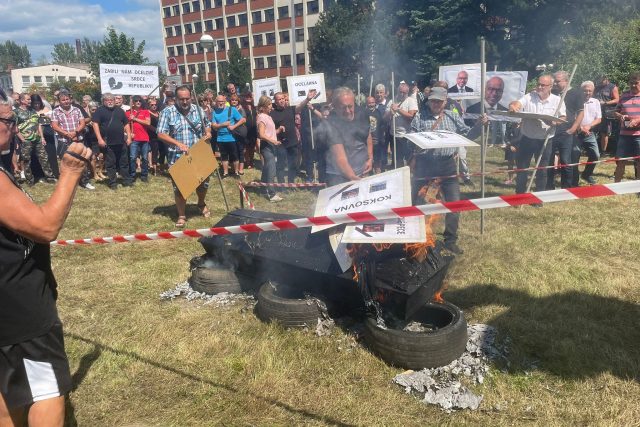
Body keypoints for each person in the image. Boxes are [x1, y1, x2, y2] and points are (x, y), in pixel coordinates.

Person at [0, 96, 92, 427]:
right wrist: (70, 172)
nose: (13, 128)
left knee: (8, 390)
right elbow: (44, 226)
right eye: (7, 121)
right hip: (18, 305)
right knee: (44, 390)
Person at [409, 87, 485, 255]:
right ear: (429, 101)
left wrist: (479, 126)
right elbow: (411, 138)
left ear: (445, 102)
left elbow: (467, 136)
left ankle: (450, 241)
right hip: (424, 165)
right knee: (416, 203)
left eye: (439, 101)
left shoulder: (453, 116)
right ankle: (415, 237)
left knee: (454, 203)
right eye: (433, 100)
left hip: (447, 165)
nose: (436, 104)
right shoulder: (420, 117)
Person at [157, 85, 212, 227]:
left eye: (187, 98)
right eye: (182, 99)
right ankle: (182, 215)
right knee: (181, 187)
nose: (185, 102)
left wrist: (208, 132)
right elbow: (161, 133)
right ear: (176, 99)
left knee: (203, 183)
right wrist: (177, 144)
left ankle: (201, 203)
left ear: (191, 97)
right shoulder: (167, 112)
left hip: (199, 153)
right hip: (178, 156)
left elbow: (207, 124)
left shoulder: (198, 110)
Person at [508, 75, 566, 195]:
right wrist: (513, 107)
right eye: (538, 84)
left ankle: (539, 197)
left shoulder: (557, 100)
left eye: (542, 85)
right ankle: (519, 195)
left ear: (550, 86)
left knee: (542, 170)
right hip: (527, 138)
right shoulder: (529, 96)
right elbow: (517, 103)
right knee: (522, 168)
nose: (539, 87)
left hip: (545, 140)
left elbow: (563, 117)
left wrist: (554, 122)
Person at [316, 87, 373, 186]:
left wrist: (370, 158)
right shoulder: (330, 124)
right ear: (334, 107)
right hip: (339, 175)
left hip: (362, 170)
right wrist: (353, 178)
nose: (347, 111)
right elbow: (340, 158)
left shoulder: (363, 113)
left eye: (350, 106)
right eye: (343, 107)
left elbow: (367, 135)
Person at [548, 70, 584, 189]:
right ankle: (549, 186)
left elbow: (580, 112)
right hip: (551, 131)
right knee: (549, 159)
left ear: (566, 81)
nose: (555, 84)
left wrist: (573, 128)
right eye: (554, 82)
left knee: (566, 160)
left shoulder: (576, 93)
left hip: (566, 131)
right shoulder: (551, 93)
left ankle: (566, 187)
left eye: (558, 82)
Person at [51, 91, 94, 190]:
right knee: (65, 162)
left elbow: (82, 123)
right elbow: (54, 126)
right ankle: (67, 183)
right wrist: (67, 134)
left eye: (67, 99)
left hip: (78, 139)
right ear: (59, 101)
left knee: (82, 161)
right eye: (63, 100)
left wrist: (75, 132)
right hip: (63, 140)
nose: (66, 101)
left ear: (70, 100)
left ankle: (84, 181)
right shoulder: (56, 111)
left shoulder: (77, 109)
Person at [92, 93, 132, 190]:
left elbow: (126, 124)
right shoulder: (99, 111)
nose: (110, 101)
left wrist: (129, 137)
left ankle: (126, 181)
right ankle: (112, 182)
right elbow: (95, 124)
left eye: (111, 100)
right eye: (107, 100)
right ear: (103, 101)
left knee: (124, 162)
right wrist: (99, 139)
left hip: (121, 141)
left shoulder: (120, 110)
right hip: (108, 142)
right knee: (110, 163)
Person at [15, 93, 56, 186]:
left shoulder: (33, 111)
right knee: (26, 160)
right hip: (26, 140)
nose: (30, 101)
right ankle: (30, 180)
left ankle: (50, 177)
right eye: (28, 99)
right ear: (21, 100)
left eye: (30, 99)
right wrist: (22, 139)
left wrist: (41, 137)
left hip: (37, 139)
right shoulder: (16, 112)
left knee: (44, 158)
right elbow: (15, 127)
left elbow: (38, 125)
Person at [256, 95, 285, 202]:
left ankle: (263, 189)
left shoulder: (268, 116)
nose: (271, 106)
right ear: (263, 106)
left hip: (271, 145)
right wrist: (274, 141)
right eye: (269, 104)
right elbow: (262, 134)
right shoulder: (262, 117)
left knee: (267, 168)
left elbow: (270, 132)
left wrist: (279, 130)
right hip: (266, 146)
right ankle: (272, 194)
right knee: (271, 169)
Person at [466, 76, 509, 147]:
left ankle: (503, 142)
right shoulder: (471, 109)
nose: (494, 93)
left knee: (502, 129)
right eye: (490, 89)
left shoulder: (504, 109)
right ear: (484, 90)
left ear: (502, 92)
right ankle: (492, 142)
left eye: (498, 90)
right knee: (493, 129)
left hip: (500, 117)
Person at [613, 71, 640, 183]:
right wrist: (620, 116)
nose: (633, 85)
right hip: (624, 135)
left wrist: (637, 120)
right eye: (631, 83)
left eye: (636, 83)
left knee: (639, 162)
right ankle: (615, 187)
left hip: (638, 136)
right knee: (620, 161)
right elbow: (615, 112)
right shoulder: (624, 95)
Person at [211, 94, 246, 177]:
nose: (220, 103)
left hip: (232, 137)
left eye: (222, 101)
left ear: (225, 102)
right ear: (216, 102)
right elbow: (213, 125)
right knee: (224, 156)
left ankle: (236, 172)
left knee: (234, 155)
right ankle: (225, 173)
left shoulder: (232, 109)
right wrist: (222, 125)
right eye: (219, 102)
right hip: (220, 138)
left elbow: (243, 120)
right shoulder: (215, 112)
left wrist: (234, 126)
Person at [385, 82, 418, 167]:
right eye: (400, 92)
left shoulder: (411, 101)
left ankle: (410, 176)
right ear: (397, 91)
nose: (402, 94)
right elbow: (385, 117)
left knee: (409, 159)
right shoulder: (392, 100)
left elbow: (411, 116)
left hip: (407, 136)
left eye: (404, 92)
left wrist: (398, 109)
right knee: (397, 159)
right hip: (394, 135)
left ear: (408, 92)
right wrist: (390, 112)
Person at [578, 81, 602, 185]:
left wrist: (589, 126)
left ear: (593, 91)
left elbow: (599, 118)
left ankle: (587, 174)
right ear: (581, 91)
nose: (587, 92)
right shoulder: (575, 101)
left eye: (590, 91)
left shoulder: (595, 102)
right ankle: (573, 178)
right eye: (585, 90)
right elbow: (571, 117)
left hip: (590, 133)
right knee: (574, 156)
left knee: (595, 155)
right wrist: (581, 127)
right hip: (576, 132)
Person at [126, 95, 151, 183]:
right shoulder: (128, 112)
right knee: (132, 158)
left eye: (140, 101)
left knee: (145, 158)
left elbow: (148, 122)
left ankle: (144, 175)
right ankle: (132, 175)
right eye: (136, 101)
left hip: (144, 138)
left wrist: (135, 118)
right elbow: (125, 126)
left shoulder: (145, 112)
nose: (138, 102)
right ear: (132, 102)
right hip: (134, 139)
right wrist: (128, 134)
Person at [594, 76, 620, 156]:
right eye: (599, 81)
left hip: (607, 113)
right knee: (594, 131)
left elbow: (617, 99)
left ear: (606, 79)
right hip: (596, 112)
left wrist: (605, 103)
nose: (600, 83)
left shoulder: (612, 87)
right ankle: (593, 150)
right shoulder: (597, 87)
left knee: (604, 133)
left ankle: (603, 152)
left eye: (602, 81)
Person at [366, 96, 385, 174]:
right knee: (368, 160)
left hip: (377, 141)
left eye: (372, 102)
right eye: (369, 103)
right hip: (367, 142)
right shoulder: (363, 113)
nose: (371, 104)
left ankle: (378, 175)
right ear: (366, 104)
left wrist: (381, 138)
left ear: (375, 103)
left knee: (377, 161)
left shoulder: (378, 112)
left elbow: (382, 126)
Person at [240, 92, 258, 169]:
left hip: (253, 130)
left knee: (252, 147)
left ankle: (251, 160)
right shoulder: (242, 107)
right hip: (246, 129)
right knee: (246, 147)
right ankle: (247, 162)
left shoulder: (254, 107)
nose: (248, 98)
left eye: (250, 97)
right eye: (247, 97)